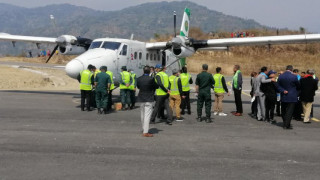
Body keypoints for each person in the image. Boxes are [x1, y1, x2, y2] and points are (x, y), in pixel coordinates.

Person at [137, 66, 159, 137]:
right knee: (147, 115)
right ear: (150, 71)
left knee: (142, 114)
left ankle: (144, 128)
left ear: (143, 71)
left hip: (141, 97)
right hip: (149, 98)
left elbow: (138, 86)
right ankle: (146, 131)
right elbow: (156, 86)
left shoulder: (139, 78)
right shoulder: (151, 79)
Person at [277, 65, 300, 130]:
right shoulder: (294, 76)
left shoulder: (280, 76)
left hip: (284, 95)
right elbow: (298, 85)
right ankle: (286, 125)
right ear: (292, 69)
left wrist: (283, 90)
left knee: (283, 110)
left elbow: (278, 86)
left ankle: (286, 122)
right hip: (292, 96)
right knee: (289, 111)